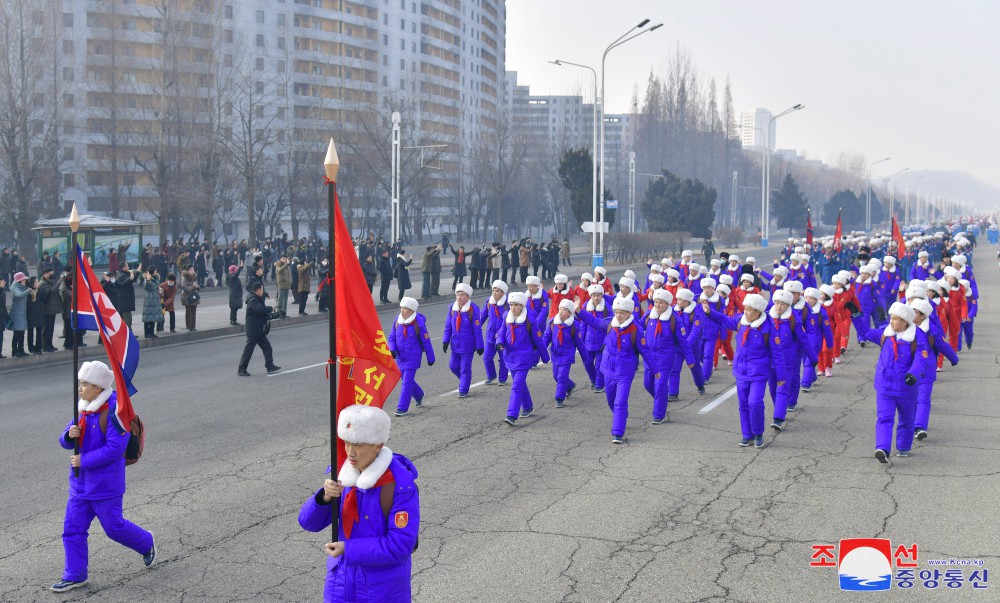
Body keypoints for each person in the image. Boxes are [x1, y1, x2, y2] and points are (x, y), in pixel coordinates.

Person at [298, 404, 420, 603]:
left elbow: (400, 545)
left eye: (358, 445)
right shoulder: (344, 477)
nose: (350, 453)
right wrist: (324, 498)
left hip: (383, 589)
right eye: (347, 443)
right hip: (340, 583)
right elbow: (307, 523)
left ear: (377, 445)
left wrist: (348, 548)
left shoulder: (399, 486)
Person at [52, 361, 155, 593]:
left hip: (105, 486)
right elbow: (63, 440)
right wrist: (69, 435)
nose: (80, 388)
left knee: (114, 528)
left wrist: (84, 461)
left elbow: (115, 449)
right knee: (72, 529)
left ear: (98, 387)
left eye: (85, 384)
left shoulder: (115, 411)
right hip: (79, 485)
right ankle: (75, 574)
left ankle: (146, 542)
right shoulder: (84, 408)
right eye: (80, 383)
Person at [702, 293, 787, 448]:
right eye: (746, 309)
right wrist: (709, 312)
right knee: (743, 403)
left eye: (750, 310)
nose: (746, 312)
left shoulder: (768, 328)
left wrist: (781, 375)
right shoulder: (741, 320)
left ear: (758, 312)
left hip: (759, 372)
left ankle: (758, 433)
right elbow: (724, 319)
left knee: (754, 402)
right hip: (741, 371)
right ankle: (747, 435)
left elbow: (777, 352)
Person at [849, 301, 928, 462]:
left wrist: (913, 374)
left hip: (906, 388)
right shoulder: (885, 333)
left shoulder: (917, 336)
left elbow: (921, 358)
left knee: (906, 420)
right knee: (884, 418)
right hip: (885, 386)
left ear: (905, 321)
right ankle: (882, 449)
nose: (891, 321)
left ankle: (903, 447)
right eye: (891, 318)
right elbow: (864, 332)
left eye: (895, 319)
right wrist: (856, 315)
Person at [577, 296, 642, 444]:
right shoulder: (609, 324)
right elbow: (594, 321)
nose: (619, 315)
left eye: (623, 313)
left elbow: (645, 351)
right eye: (617, 312)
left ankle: (617, 432)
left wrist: (655, 369)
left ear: (629, 313)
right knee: (610, 399)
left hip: (625, 371)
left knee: (620, 402)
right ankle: (621, 416)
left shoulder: (635, 329)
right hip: (608, 369)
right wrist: (579, 311)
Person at [639, 289, 700, 424]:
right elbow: (637, 327)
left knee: (660, 386)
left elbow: (683, 341)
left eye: (660, 302)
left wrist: (690, 358)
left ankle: (658, 415)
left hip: (665, 359)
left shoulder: (674, 320)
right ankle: (662, 400)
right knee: (647, 384)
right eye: (655, 302)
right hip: (649, 359)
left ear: (667, 304)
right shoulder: (649, 315)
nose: (657, 305)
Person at [910, 298, 958, 441]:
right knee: (912, 399)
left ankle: (919, 427)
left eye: (915, 312)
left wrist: (954, 358)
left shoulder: (932, 330)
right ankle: (911, 424)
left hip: (927, 370)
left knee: (923, 399)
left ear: (923, 315)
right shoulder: (905, 326)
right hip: (909, 369)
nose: (912, 314)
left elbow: (943, 345)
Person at [498, 292, 550, 424]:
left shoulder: (529, 320)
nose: (513, 308)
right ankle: (527, 407)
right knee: (519, 383)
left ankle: (511, 415)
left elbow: (537, 339)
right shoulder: (507, 317)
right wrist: (499, 342)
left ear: (522, 306)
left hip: (524, 357)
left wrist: (544, 357)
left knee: (516, 386)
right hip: (509, 356)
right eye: (511, 305)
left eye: (516, 305)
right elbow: (502, 332)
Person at [387, 297, 435, 416]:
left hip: (413, 357)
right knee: (405, 380)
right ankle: (419, 395)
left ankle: (402, 408)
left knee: (407, 382)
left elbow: (426, 341)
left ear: (412, 311)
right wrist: (392, 349)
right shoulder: (397, 321)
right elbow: (391, 337)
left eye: (405, 309)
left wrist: (431, 357)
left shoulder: (418, 323)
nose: (402, 311)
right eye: (401, 308)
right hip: (400, 357)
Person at [441, 283, 484, 398]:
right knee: (453, 366)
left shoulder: (473, 310)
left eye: (462, 295)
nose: (459, 297)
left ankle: (463, 389)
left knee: (465, 368)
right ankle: (465, 379)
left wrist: (480, 345)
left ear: (468, 297)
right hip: (455, 344)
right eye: (458, 295)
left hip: (468, 345)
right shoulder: (452, 309)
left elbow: (477, 329)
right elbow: (448, 326)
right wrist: (445, 341)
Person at [542, 299, 586, 408]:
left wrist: (585, 357)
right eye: (560, 309)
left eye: (565, 310)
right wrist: (541, 349)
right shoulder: (553, 322)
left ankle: (559, 398)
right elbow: (546, 337)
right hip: (555, 354)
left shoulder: (574, 325)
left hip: (567, 355)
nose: (561, 311)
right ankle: (570, 385)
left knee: (562, 376)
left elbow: (579, 343)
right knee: (555, 376)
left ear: (570, 313)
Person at [237, 281, 281, 376]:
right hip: (253, 330)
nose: (263, 291)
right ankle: (241, 369)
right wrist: (270, 308)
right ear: (258, 290)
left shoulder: (256, 298)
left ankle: (270, 366)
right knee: (248, 350)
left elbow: (262, 313)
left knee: (267, 347)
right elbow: (259, 309)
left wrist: (274, 315)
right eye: (262, 289)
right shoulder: (253, 300)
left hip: (259, 329)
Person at [481, 280, 510, 386]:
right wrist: (474, 328)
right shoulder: (489, 302)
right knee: (486, 357)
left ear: (503, 293)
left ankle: (502, 378)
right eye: (494, 290)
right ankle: (491, 375)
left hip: (502, 337)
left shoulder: (508, 304)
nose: (495, 293)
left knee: (503, 359)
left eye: (498, 291)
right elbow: (482, 317)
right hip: (490, 336)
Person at [39, 267, 62, 352]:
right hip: (47, 309)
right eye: (50, 273)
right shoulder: (43, 283)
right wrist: (59, 282)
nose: (52, 275)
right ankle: (45, 345)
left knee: (51, 328)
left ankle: (50, 344)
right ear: (45, 274)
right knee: (47, 328)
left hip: (52, 309)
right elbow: (51, 291)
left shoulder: (50, 281)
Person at [140, 268, 163, 339]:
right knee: (148, 318)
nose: (156, 271)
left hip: (155, 300)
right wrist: (148, 280)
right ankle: (147, 333)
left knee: (153, 317)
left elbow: (155, 288)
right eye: (155, 270)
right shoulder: (147, 279)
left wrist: (160, 291)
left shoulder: (156, 279)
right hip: (149, 301)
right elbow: (146, 287)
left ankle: (152, 333)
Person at [180, 265, 200, 331]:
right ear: (188, 271)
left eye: (193, 269)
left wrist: (197, 286)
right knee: (189, 312)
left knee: (194, 311)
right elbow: (184, 287)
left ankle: (193, 326)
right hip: (187, 296)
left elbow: (197, 284)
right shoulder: (184, 277)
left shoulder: (194, 277)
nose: (192, 271)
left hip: (194, 296)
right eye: (191, 270)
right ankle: (189, 326)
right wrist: (192, 287)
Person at [0, 278, 7, 358]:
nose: (3, 283)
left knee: (1, 336)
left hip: (1, 316)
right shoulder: (1, 290)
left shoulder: (2, 290)